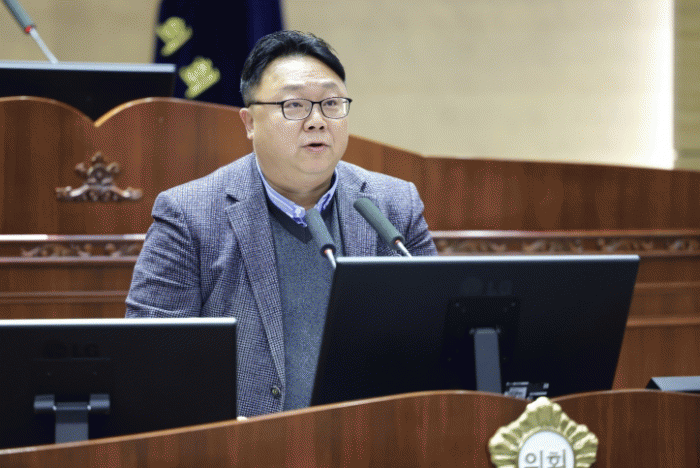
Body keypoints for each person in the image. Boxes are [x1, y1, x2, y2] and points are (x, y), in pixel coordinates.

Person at [126, 30, 437, 417]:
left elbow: (436, 337)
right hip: (242, 442)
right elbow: (150, 359)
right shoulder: (188, 214)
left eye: (331, 103)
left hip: (365, 436)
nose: (317, 121)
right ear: (249, 122)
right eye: (294, 106)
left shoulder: (393, 205)